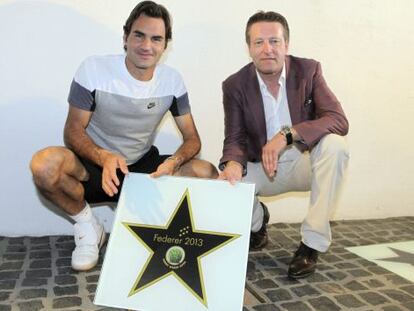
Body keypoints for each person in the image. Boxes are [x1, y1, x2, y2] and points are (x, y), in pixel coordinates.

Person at [30, 1, 217, 272]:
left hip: (139, 169)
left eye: (156, 39)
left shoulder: (172, 81)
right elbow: (72, 131)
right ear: (125, 37)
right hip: (93, 166)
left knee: (205, 171)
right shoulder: (93, 69)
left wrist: (174, 162)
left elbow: (192, 140)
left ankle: (160, 230)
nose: (146, 45)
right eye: (139, 35)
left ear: (166, 45)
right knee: (44, 165)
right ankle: (88, 228)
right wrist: (103, 156)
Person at [218, 11, 349, 279]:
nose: (267, 49)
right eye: (259, 42)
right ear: (249, 48)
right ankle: (257, 224)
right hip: (264, 168)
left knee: (336, 146)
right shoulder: (234, 85)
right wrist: (231, 163)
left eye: (274, 41)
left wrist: (287, 135)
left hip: (305, 162)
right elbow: (234, 137)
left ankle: (311, 245)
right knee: (226, 181)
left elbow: (338, 120)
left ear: (286, 45)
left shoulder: (309, 71)